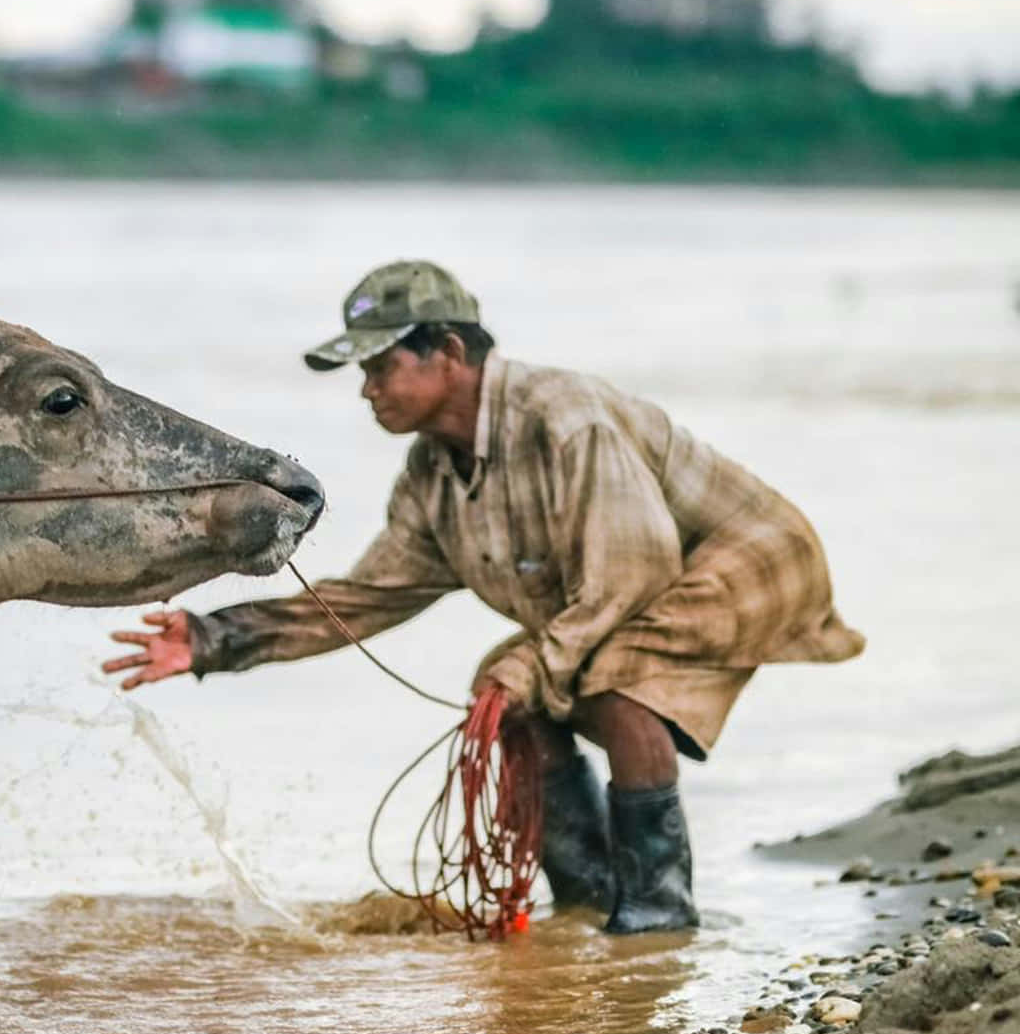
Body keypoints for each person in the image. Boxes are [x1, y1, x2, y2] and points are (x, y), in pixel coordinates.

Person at [101, 260, 864, 933]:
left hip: (752, 559)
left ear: (450, 353)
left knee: (614, 686)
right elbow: (368, 597)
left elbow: (630, 578)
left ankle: (658, 919)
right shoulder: (433, 474)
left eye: (379, 366)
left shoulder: (566, 421)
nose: (366, 391)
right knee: (510, 693)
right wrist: (214, 639)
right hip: (628, 588)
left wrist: (530, 667)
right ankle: (589, 902)